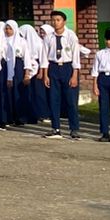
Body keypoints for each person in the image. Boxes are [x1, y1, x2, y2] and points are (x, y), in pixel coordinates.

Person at [41, 10, 81, 139]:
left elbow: (75, 57)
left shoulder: (71, 36)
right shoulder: (48, 37)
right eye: (53, 20)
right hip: (53, 68)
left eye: (58, 20)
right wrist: (45, 75)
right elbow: (44, 57)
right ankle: (55, 128)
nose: (55, 22)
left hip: (67, 67)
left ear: (64, 21)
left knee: (70, 100)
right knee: (54, 99)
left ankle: (74, 129)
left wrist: (75, 75)